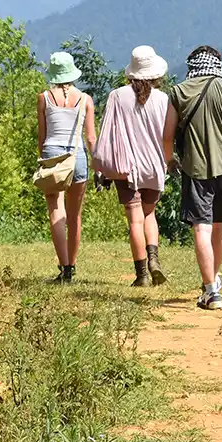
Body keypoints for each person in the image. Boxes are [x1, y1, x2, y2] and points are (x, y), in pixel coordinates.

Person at [162, 45, 222, 311]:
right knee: (221, 224)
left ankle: (211, 289)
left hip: (195, 168)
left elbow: (167, 135)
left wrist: (170, 160)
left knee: (201, 227)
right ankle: (212, 282)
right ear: (218, 64)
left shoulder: (179, 92)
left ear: (192, 65)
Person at [94, 46, 171, 287]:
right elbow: (168, 135)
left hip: (126, 168)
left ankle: (142, 275)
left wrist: (102, 168)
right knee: (150, 214)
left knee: (135, 220)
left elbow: (107, 133)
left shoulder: (117, 96)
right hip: (155, 165)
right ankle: (154, 260)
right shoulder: (163, 99)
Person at [37, 50, 98, 284]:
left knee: (55, 211)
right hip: (77, 155)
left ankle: (64, 269)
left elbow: (42, 137)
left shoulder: (44, 98)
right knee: (75, 216)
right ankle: (72, 265)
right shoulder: (85, 99)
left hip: (52, 154)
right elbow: (90, 138)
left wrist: (43, 161)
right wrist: (98, 165)